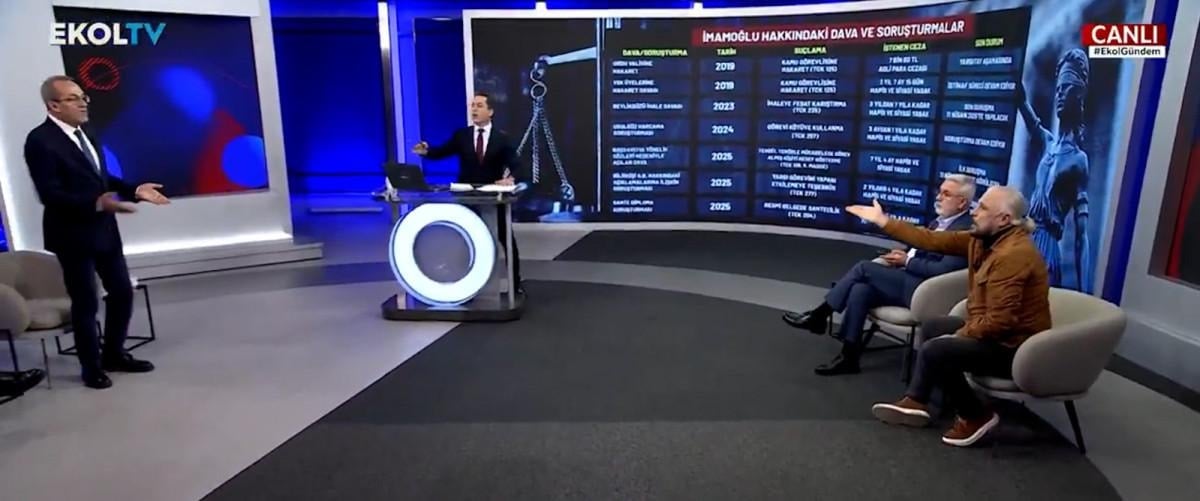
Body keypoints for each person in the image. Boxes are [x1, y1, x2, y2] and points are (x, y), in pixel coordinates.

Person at [847, 186, 1051, 447]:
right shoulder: (982, 239)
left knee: (938, 349)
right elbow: (931, 239)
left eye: (983, 208)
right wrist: (883, 221)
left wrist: (959, 335)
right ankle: (918, 401)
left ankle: (976, 416)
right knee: (934, 326)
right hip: (993, 332)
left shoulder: (1014, 255)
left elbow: (1000, 323)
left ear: (1004, 219)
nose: (975, 212)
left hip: (1014, 348)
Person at [23, 75, 170, 390]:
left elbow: (102, 178)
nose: (83, 103)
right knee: (86, 302)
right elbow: (51, 194)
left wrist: (133, 190)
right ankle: (91, 368)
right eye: (74, 98)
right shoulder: (40, 141)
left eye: (83, 96)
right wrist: (95, 203)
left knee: (122, 292)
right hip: (72, 234)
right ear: (54, 106)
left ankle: (114, 354)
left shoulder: (87, 131)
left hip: (104, 230)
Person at [783, 175, 976, 376]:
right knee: (861, 290)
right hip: (909, 279)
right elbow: (922, 246)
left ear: (962, 202)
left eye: (946, 194)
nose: (938, 197)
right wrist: (904, 254)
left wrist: (907, 261)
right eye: (940, 191)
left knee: (864, 268)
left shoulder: (965, 231)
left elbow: (943, 270)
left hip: (926, 292)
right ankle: (849, 357)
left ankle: (819, 315)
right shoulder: (940, 221)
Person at [413, 91, 525, 291]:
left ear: (490, 111)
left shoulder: (502, 138)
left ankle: (515, 284)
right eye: (472, 105)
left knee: (506, 239)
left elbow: (516, 165)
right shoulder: (462, 135)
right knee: (467, 239)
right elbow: (442, 151)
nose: (474, 109)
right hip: (467, 197)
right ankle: (467, 284)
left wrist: (511, 179)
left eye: (479, 106)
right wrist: (427, 151)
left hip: (493, 198)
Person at [1017, 48, 1091, 291]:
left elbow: (1081, 235)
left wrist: (1085, 291)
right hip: (1024, 240)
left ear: (1078, 94)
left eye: (1066, 88)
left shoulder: (1078, 160)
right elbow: (1026, 109)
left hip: (1047, 250)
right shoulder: (1048, 143)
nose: (1060, 95)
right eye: (1058, 89)